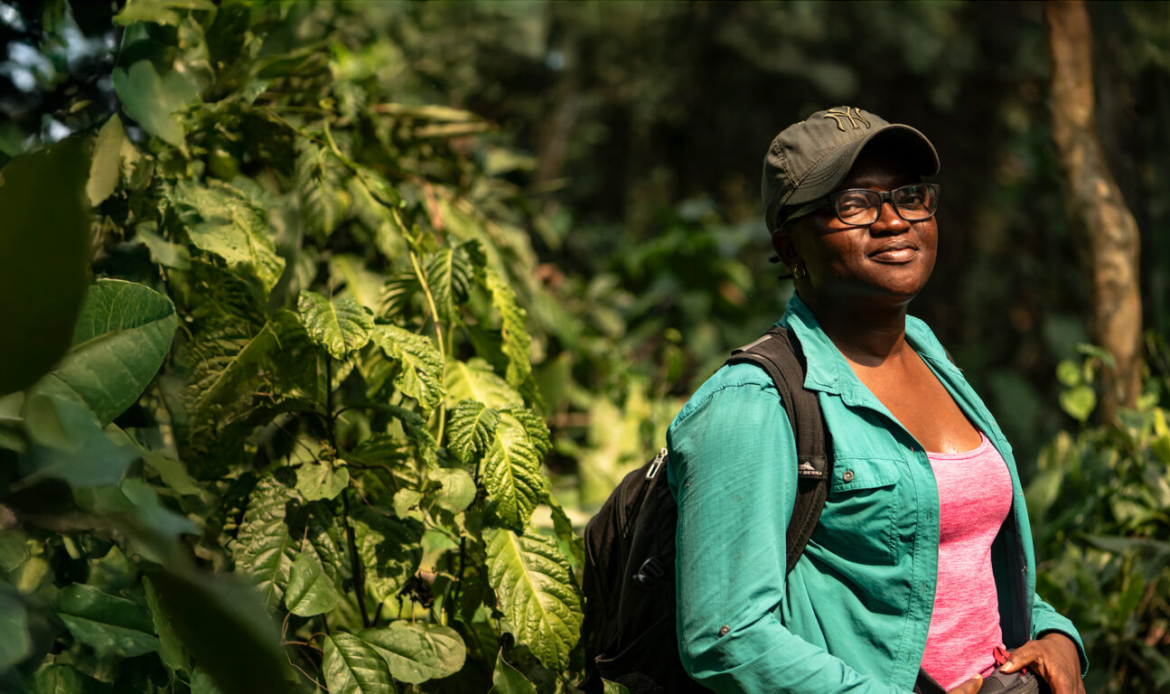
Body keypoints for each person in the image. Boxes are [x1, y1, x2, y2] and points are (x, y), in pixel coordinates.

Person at [664, 106, 1088, 694]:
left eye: (909, 196)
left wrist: (1056, 635)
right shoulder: (754, 402)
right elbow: (726, 636)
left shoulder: (930, 355)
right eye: (854, 204)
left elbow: (961, 562)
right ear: (790, 246)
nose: (893, 221)